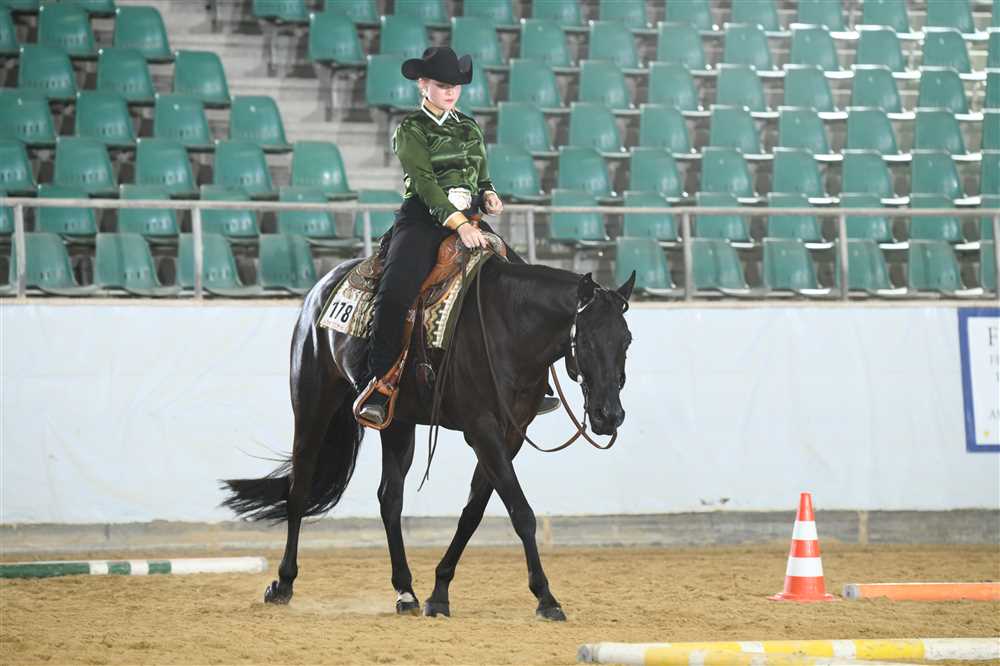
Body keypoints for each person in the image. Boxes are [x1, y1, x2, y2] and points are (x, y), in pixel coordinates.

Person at [357, 46, 559, 426]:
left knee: (522, 284)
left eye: (455, 85)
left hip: (470, 219)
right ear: (423, 84)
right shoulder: (411, 130)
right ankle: (379, 384)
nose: (450, 91)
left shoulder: (468, 127)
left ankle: (535, 383)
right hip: (422, 221)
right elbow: (425, 185)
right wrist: (460, 225)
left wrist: (489, 195)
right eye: (442, 84)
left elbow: (481, 176)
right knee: (395, 292)